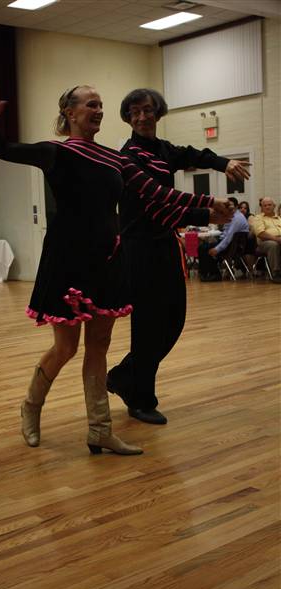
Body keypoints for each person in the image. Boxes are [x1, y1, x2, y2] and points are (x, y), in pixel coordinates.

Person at [0, 83, 231, 455]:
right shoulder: (57, 152)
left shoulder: (116, 159)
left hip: (107, 259)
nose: (98, 110)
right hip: (67, 260)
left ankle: (100, 429)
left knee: (99, 346)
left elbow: (155, 193)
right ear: (70, 113)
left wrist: (207, 206)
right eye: (91, 104)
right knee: (66, 348)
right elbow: (1, 149)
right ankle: (31, 406)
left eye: (100, 105)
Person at [107, 88, 250, 425]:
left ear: (158, 113)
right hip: (139, 249)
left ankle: (124, 376)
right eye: (135, 112)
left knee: (173, 320)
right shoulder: (128, 157)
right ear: (127, 118)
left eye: (148, 110)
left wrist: (224, 163)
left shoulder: (164, 150)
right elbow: (158, 198)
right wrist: (207, 208)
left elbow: (194, 154)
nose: (142, 117)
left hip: (164, 244)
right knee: (147, 325)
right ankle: (141, 398)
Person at [198, 197, 249, 280]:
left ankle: (214, 274)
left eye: (231, 206)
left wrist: (217, 249)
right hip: (231, 244)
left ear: (236, 207)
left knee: (204, 248)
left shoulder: (236, 218)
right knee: (203, 246)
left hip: (232, 247)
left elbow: (229, 237)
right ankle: (206, 273)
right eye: (227, 205)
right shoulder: (232, 215)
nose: (228, 207)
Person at [251, 197, 281, 283]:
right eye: (265, 205)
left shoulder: (279, 218)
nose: (267, 207)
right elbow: (261, 234)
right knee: (273, 244)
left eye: (269, 205)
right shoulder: (258, 218)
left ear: (274, 206)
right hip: (264, 243)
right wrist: (277, 239)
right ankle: (276, 273)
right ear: (262, 207)